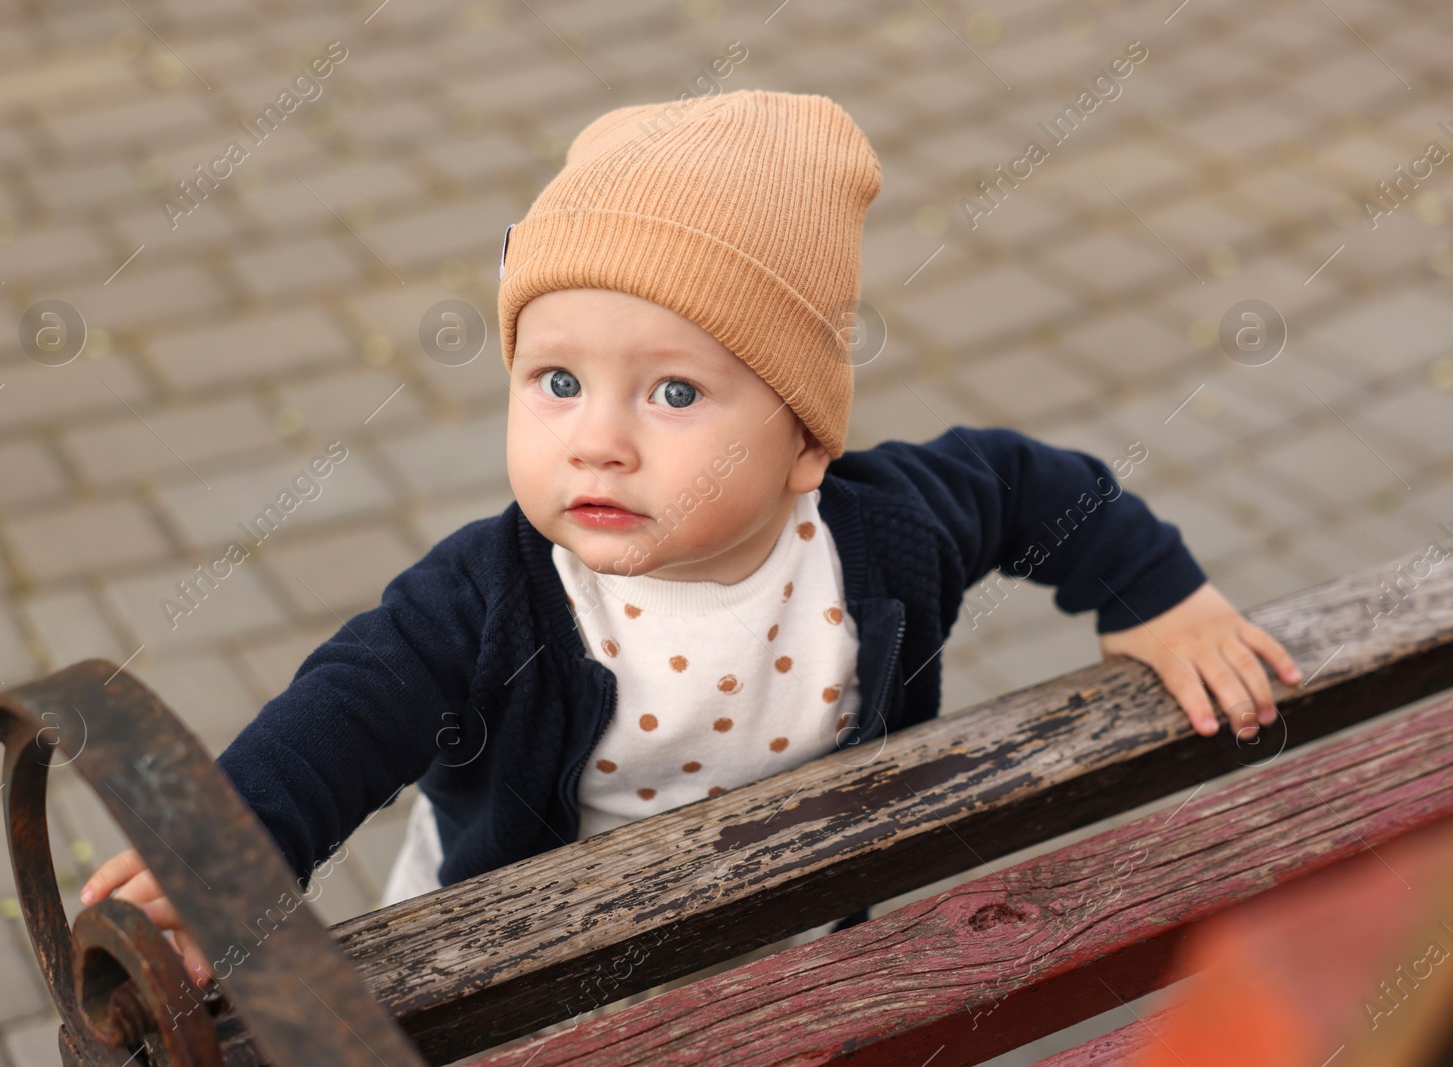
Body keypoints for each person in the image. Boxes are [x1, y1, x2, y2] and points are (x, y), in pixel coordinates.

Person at [80, 89, 1303, 994]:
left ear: (806, 445)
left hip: (781, 929)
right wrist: (232, 846)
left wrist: (1155, 593)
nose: (599, 441)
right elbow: (350, 707)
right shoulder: (493, 593)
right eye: (555, 380)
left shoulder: (881, 531)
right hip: (517, 949)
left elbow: (1036, 487)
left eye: (673, 395)